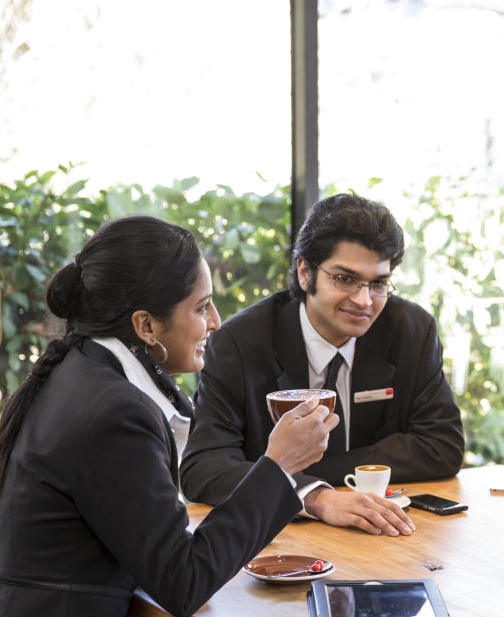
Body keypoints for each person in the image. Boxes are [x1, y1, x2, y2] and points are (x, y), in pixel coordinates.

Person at [0, 216, 346, 617]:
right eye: (202, 307)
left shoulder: (79, 373)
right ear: (145, 324)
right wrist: (277, 467)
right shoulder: (114, 412)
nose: (215, 324)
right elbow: (182, 581)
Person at [181, 192, 464, 536]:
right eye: (345, 279)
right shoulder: (240, 343)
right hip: (277, 537)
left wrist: (292, 467)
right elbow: (202, 467)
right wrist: (312, 494)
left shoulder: (411, 330)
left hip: (385, 530)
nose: (364, 301)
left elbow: (443, 447)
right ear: (304, 272)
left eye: (378, 283)